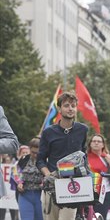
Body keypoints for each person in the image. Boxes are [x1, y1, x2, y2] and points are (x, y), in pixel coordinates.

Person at [36, 91, 89, 220]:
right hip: (52, 185)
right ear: (59, 108)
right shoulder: (48, 132)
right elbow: (40, 160)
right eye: (66, 105)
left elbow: (84, 156)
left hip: (72, 185)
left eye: (73, 105)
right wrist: (49, 176)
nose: (70, 108)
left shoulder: (83, 130)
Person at [87, 134, 110, 219]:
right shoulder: (85, 158)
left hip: (106, 193)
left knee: (101, 217)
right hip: (90, 193)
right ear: (90, 144)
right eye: (94, 141)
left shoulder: (108, 157)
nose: (96, 143)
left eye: (99, 141)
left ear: (103, 144)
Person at [14, 137, 43, 220]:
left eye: (38, 152)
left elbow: (49, 175)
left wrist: (43, 183)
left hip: (40, 196)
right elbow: (16, 172)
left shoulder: (45, 160)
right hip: (25, 195)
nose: (35, 155)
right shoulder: (23, 159)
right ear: (29, 149)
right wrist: (19, 182)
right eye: (33, 152)